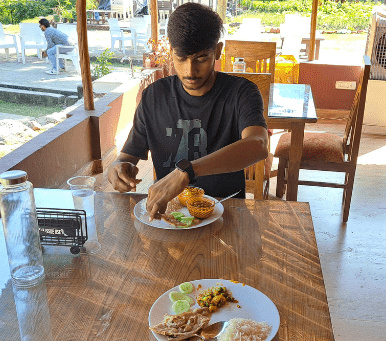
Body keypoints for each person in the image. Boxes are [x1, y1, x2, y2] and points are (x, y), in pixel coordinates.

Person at [107, 2, 269, 221]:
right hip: (170, 217)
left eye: (201, 58)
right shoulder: (154, 96)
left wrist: (187, 171)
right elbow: (129, 156)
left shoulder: (241, 92)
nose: (189, 70)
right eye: (181, 58)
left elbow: (258, 145)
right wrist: (118, 167)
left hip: (227, 215)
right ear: (171, 52)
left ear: (218, 51)